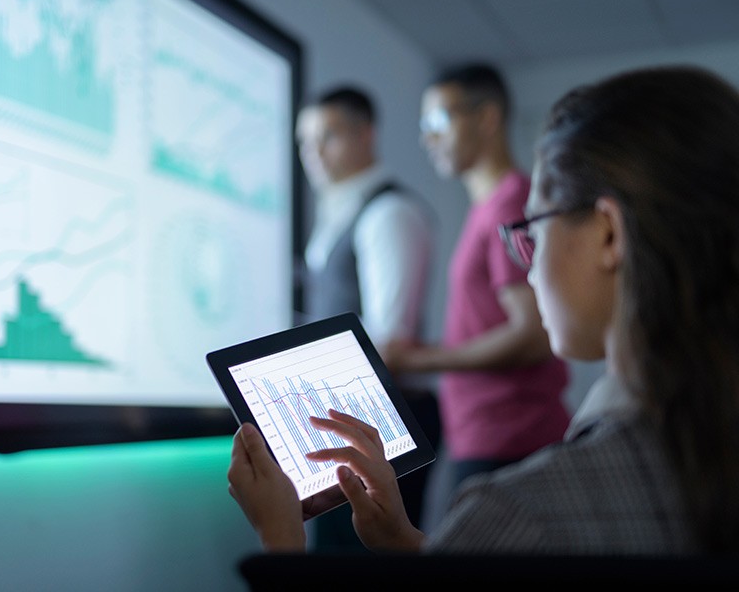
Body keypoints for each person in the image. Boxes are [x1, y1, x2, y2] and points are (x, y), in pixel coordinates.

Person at [228, 64, 739, 555]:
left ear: (608, 234)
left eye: (533, 231)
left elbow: (526, 338)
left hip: (501, 428)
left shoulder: (518, 511)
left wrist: (280, 540)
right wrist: (406, 541)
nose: (531, 269)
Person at [384, 63, 570, 501]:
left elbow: (533, 335)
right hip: (487, 435)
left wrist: (417, 361)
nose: (427, 138)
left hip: (511, 438)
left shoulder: (510, 206)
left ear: (487, 117)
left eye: (438, 122)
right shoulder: (490, 207)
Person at [294, 85, 440, 550]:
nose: (313, 152)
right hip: (348, 424)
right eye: (304, 141)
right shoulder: (339, 212)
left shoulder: (389, 213)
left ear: (366, 136)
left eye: (329, 136)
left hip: (382, 426)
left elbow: (389, 341)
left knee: (363, 562)